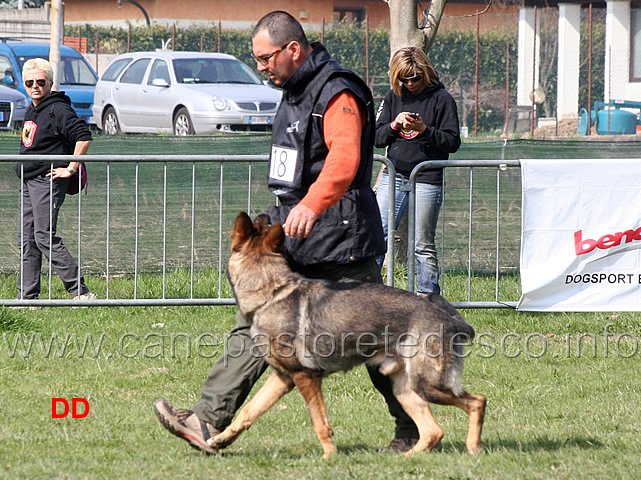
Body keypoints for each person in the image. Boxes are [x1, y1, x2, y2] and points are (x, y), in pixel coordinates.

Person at [154, 10, 421, 454]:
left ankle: (414, 426)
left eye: (265, 58)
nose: (260, 67)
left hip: (339, 237)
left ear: (292, 50)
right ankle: (206, 421)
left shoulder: (336, 91)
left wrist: (312, 204)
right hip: (295, 234)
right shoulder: (294, 90)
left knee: (376, 337)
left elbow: (345, 158)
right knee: (256, 323)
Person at [374, 46, 461, 295]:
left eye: (415, 77)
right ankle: (369, 293)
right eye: (405, 78)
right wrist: (394, 124)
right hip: (394, 175)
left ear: (425, 72)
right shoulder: (393, 97)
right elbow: (378, 138)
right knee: (378, 236)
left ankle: (428, 297)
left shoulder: (442, 99)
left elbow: (452, 142)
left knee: (423, 243)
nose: (410, 83)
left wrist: (424, 129)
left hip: (428, 178)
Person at [15, 58, 96, 302]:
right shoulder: (33, 108)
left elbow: (84, 136)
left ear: (50, 83)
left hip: (47, 180)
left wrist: (71, 169)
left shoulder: (57, 108)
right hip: (28, 181)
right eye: (30, 82)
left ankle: (80, 292)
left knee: (44, 236)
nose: (35, 86)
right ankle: (27, 299)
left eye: (41, 82)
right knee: (27, 240)